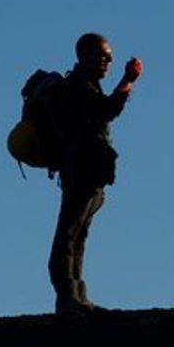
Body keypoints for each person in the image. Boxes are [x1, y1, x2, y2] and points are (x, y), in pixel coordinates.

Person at [47, 33, 142, 315]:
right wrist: (127, 81)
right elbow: (106, 111)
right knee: (70, 231)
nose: (107, 61)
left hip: (90, 173)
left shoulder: (87, 86)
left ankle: (77, 295)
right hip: (79, 170)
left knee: (80, 233)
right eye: (102, 56)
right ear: (84, 56)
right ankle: (67, 295)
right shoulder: (76, 87)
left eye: (109, 57)